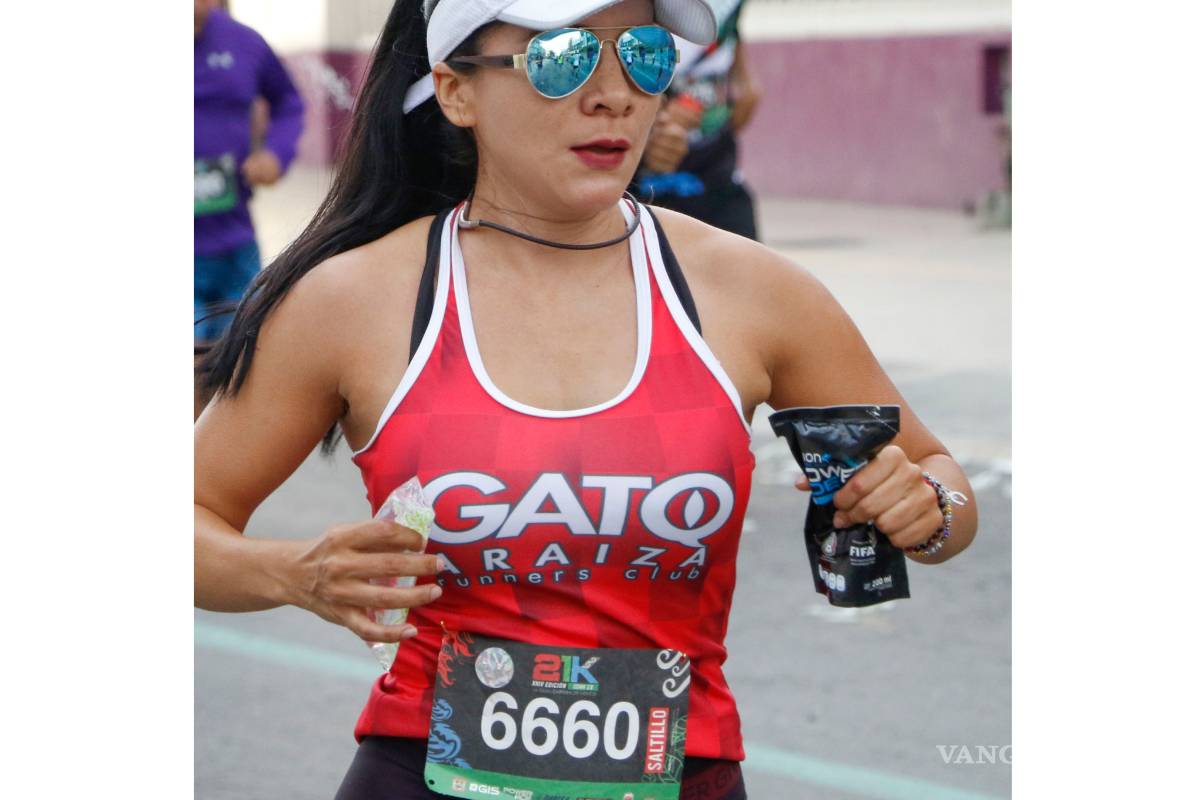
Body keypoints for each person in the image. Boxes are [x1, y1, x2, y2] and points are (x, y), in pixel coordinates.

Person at [194, 2, 979, 798]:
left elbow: (939, 481)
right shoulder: (353, 301)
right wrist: (294, 573)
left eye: (642, 55)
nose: (615, 95)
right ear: (455, 92)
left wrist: (929, 507)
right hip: (424, 774)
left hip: (683, 775)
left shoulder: (753, 292)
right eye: (561, 57)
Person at [194, 0, 304, 347]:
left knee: (242, 354)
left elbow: (289, 102)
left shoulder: (244, 43)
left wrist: (276, 154)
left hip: (234, 243)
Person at [634, 0, 761, 239]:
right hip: (646, 186)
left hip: (715, 174)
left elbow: (727, 35)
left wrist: (742, 83)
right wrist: (647, 130)